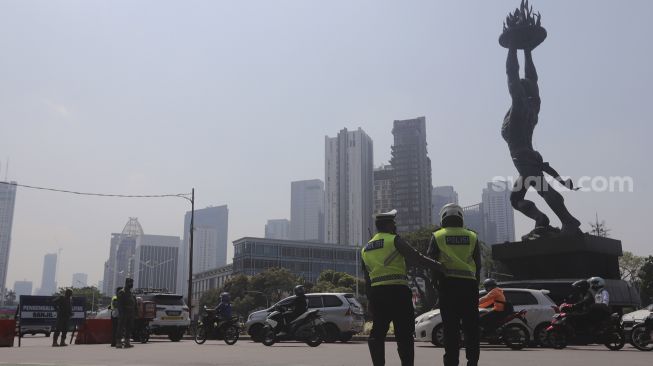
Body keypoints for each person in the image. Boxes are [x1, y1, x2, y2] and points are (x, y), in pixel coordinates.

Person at [502, 46, 581, 238]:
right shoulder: (533, 107)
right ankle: (541, 220)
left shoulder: (519, 109)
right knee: (516, 198)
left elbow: (512, 73)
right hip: (529, 155)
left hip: (521, 156)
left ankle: (569, 222)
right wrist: (528, 51)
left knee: (543, 189)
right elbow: (533, 79)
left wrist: (512, 47)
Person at [362, 209, 444, 366]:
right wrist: (440, 267)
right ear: (388, 225)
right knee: (404, 335)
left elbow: (367, 279)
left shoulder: (365, 249)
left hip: (378, 294)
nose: (395, 226)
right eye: (393, 223)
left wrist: (370, 301)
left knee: (377, 334)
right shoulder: (394, 240)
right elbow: (417, 257)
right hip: (398, 293)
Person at [427, 203, 481, 366]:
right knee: (471, 328)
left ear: (443, 218)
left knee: (451, 329)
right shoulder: (472, 236)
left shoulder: (438, 236)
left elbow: (432, 263)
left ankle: (451, 362)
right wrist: (475, 284)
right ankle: (472, 361)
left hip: (448, 287)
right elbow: (478, 264)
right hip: (469, 287)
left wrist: (436, 284)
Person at [116, 278, 138, 348]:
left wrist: (136, 313)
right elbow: (119, 304)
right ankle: (118, 342)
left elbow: (134, 303)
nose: (131, 284)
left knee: (129, 327)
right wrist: (121, 313)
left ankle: (127, 342)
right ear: (126, 283)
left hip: (130, 313)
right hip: (124, 312)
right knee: (121, 327)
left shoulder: (131, 293)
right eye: (130, 283)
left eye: (132, 283)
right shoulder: (121, 292)